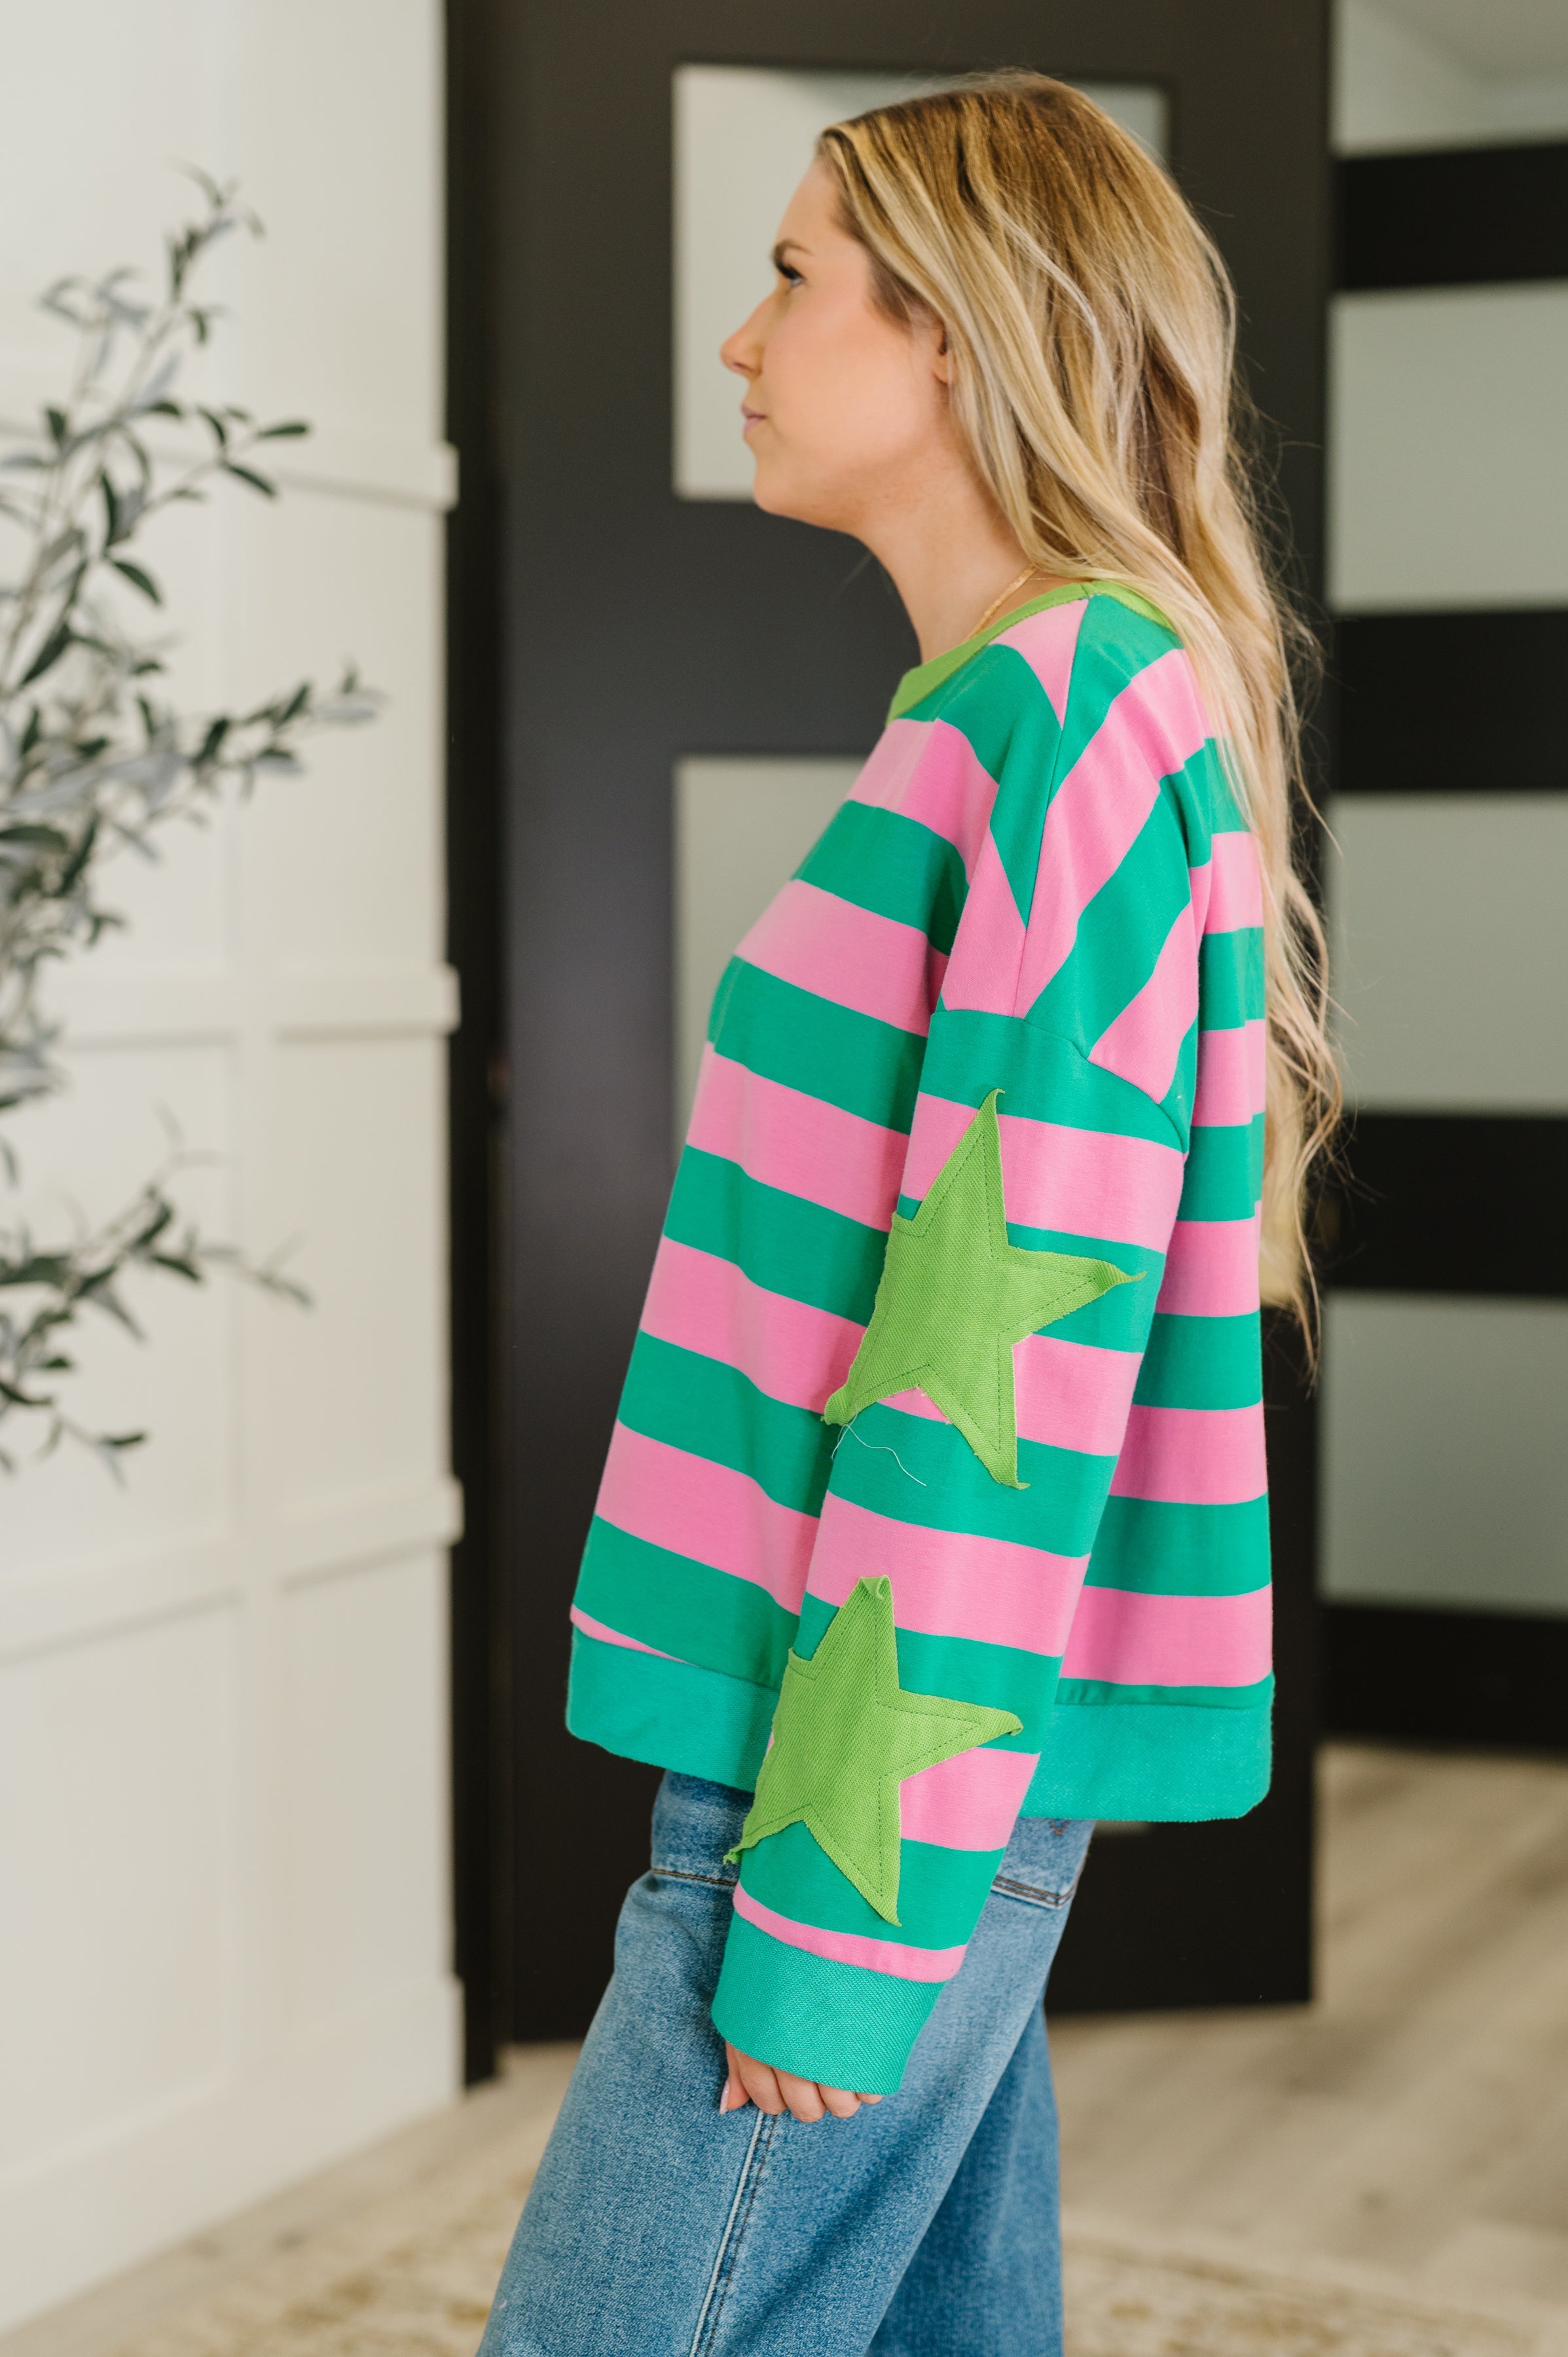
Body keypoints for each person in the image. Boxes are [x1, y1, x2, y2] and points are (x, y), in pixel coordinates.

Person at [479, 69, 1334, 2357]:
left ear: (956, 330)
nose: (740, 338)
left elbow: (1000, 1359)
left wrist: (842, 1902)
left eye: (791, 279)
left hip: (856, 1772)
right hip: (860, 1741)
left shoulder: (1070, 713)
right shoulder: (1008, 705)